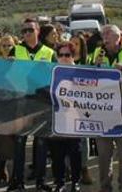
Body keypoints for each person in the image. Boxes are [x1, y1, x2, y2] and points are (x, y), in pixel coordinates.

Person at [9, 20, 56, 192]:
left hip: (42, 102)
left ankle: (40, 181)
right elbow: (6, 74)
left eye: (30, 30)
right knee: (20, 143)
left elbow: (57, 76)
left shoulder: (49, 52)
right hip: (21, 101)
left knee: (41, 143)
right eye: (24, 31)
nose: (26, 33)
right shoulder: (16, 50)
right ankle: (18, 181)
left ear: (38, 31)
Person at [92, 25, 122, 192]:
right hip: (102, 112)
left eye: (109, 33)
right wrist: (94, 68)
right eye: (103, 34)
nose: (105, 36)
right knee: (103, 155)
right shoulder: (96, 54)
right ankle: (105, 187)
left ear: (119, 37)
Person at [47, 41, 83, 192]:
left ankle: (75, 182)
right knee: (57, 155)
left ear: (73, 55)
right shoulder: (51, 72)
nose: (64, 57)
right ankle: (60, 183)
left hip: (75, 120)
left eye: (67, 55)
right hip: (56, 119)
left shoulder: (81, 72)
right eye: (60, 55)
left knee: (75, 153)